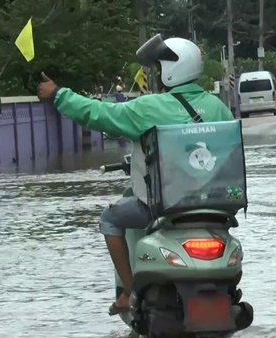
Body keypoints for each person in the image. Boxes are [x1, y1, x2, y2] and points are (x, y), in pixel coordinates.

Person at [37, 34, 234, 316]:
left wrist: (58, 94)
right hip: (214, 206)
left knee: (110, 218)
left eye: (159, 67)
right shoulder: (218, 108)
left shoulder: (150, 107)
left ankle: (129, 292)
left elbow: (98, 113)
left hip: (161, 207)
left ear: (170, 70)